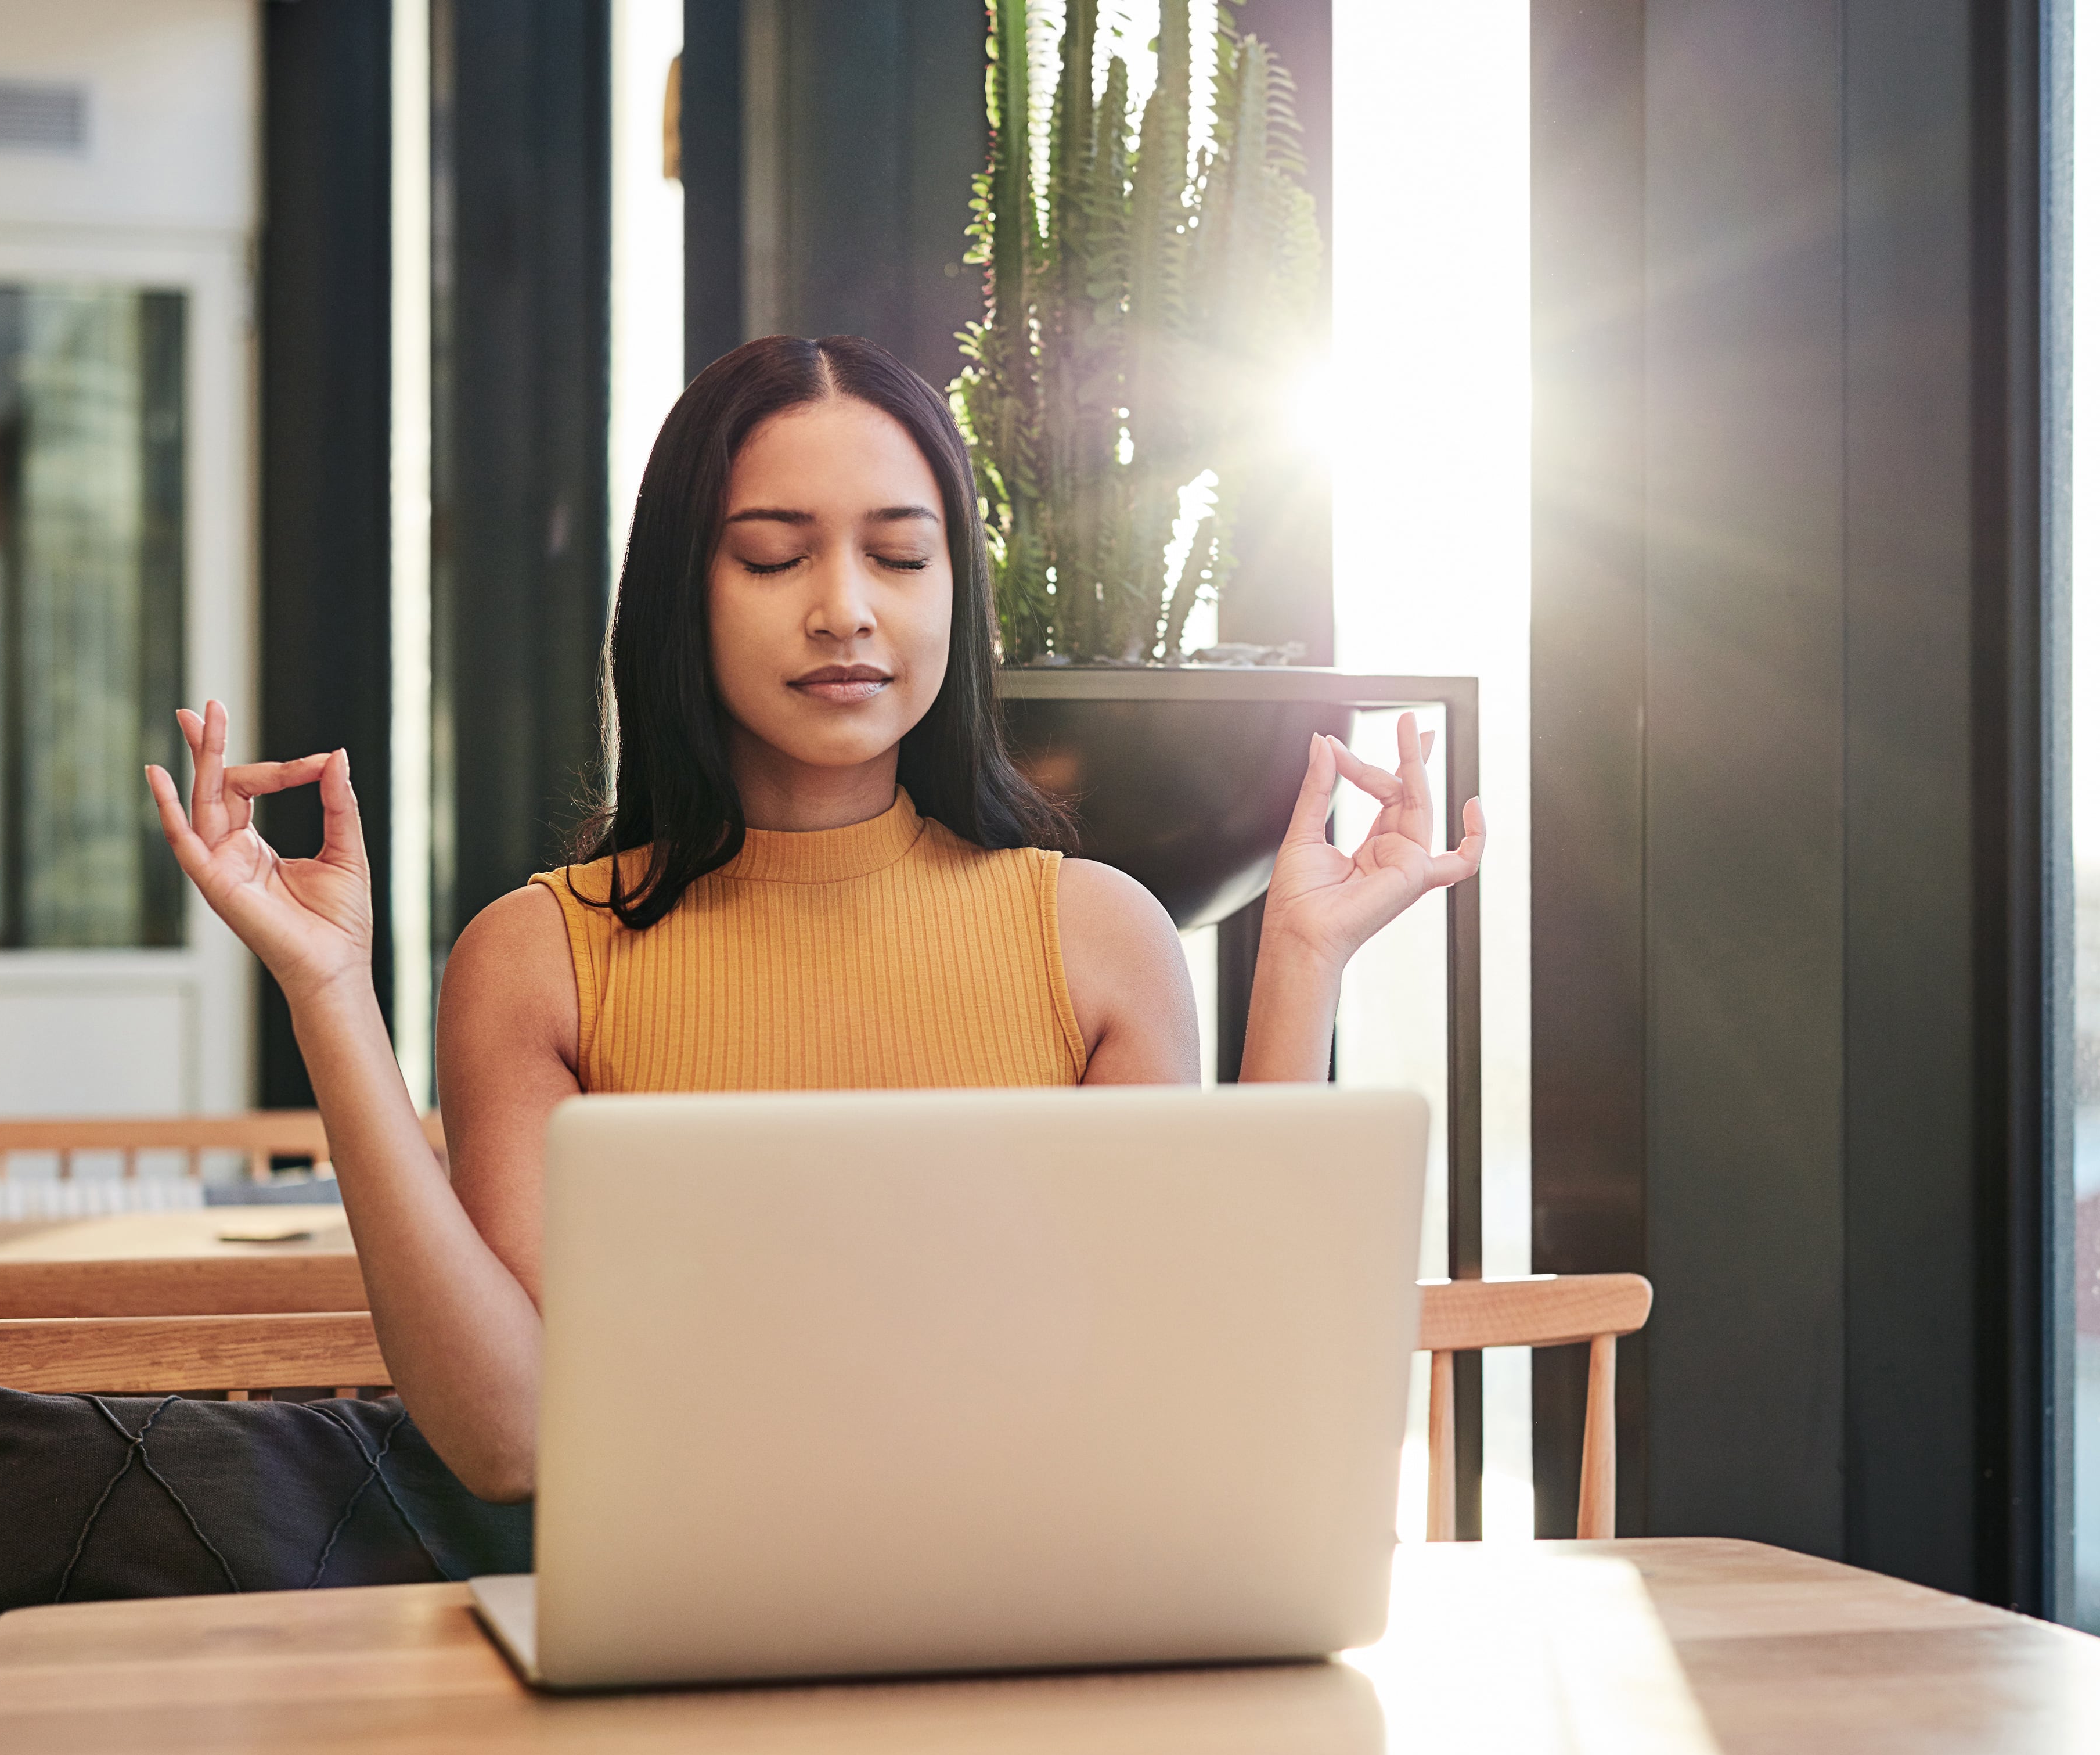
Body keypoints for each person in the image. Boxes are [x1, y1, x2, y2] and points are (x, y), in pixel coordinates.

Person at [147, 333, 1481, 1504]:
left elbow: (1197, 1385)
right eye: (776, 556)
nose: (846, 606)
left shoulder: (1097, 936)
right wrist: (329, 993)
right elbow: (513, 1441)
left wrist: (1301, 961)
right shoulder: (540, 957)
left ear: (956, 589)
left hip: (1046, 1638)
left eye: (902, 554)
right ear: (685, 592)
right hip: (678, 1663)